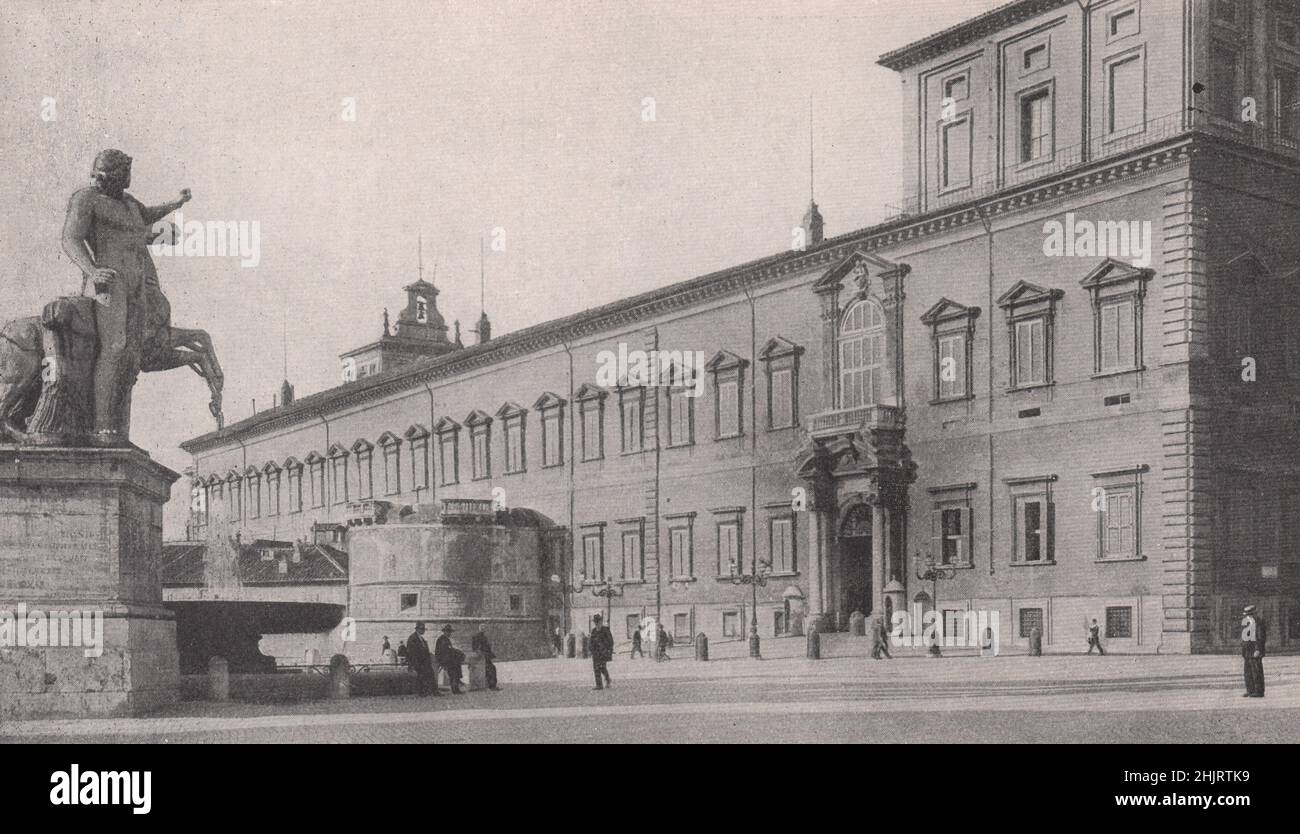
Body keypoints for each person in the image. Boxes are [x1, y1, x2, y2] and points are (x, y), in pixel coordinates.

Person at [61, 149, 191, 446]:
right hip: (109, 283)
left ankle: (119, 429)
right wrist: (92, 271)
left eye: (107, 176)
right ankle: (102, 426)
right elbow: (70, 238)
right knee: (115, 347)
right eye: (99, 176)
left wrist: (177, 203)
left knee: (132, 357)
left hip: (137, 286)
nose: (98, 180)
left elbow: (148, 215)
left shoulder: (129, 203)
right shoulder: (86, 199)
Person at [406, 622, 440, 696]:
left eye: (424, 629)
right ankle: (423, 692)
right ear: (417, 629)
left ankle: (432, 691)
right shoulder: (413, 638)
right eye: (422, 629)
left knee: (430, 675)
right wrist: (413, 663)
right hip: (419, 662)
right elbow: (411, 652)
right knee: (422, 677)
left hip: (425, 662)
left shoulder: (421, 639)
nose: (423, 631)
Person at [1242, 605, 1267, 698]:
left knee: (1256, 671)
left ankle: (1258, 691)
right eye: (1247, 615)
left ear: (1254, 614)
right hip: (1247, 651)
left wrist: (1258, 649)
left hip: (1255, 650)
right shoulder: (1248, 622)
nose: (1248, 616)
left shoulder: (1259, 623)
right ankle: (1250, 690)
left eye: (1250, 615)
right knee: (1248, 672)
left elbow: (1260, 638)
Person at [435, 624, 465, 694]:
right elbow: (447, 650)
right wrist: (458, 652)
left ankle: (456, 683)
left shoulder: (445, 639)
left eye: (450, 632)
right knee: (454, 666)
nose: (449, 633)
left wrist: (458, 652)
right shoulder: (442, 639)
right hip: (443, 659)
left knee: (456, 663)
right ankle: (456, 686)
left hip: (446, 658)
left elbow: (450, 649)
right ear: (444, 632)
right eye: (448, 632)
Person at [471, 623, 500, 691]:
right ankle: (492, 686)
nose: (485, 629)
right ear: (482, 629)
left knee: (491, 668)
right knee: (492, 669)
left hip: (483, 657)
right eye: (484, 628)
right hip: (483, 657)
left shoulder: (478, 636)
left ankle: (491, 685)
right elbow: (478, 649)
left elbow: (475, 648)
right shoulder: (481, 637)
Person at [590, 614, 614, 690]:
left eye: (598, 622)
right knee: (596, 668)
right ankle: (599, 685)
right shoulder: (594, 631)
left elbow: (610, 641)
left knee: (602, 667)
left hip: (603, 652)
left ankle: (607, 679)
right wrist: (591, 649)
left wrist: (607, 649)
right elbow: (591, 642)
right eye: (596, 622)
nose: (597, 624)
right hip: (596, 653)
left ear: (601, 622)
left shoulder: (605, 630)